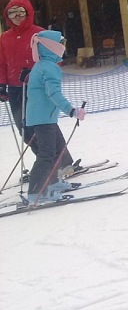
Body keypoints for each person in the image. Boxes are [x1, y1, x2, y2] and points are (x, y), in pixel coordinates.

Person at [24, 30, 86, 202]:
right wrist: (72, 111)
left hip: (45, 117)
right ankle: (36, 192)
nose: (63, 47)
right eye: (61, 43)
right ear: (51, 47)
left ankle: (52, 183)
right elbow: (54, 94)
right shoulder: (49, 68)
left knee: (57, 150)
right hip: (42, 118)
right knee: (46, 154)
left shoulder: (44, 65)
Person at [0, 0, 44, 135]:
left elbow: (54, 59)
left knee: (42, 127)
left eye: (20, 11)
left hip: (37, 87)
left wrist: (35, 73)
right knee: (24, 129)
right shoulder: (4, 37)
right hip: (15, 89)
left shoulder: (40, 33)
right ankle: (41, 150)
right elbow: (1, 63)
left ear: (28, 12)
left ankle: (53, 150)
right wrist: (1, 84)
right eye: (12, 13)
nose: (17, 16)